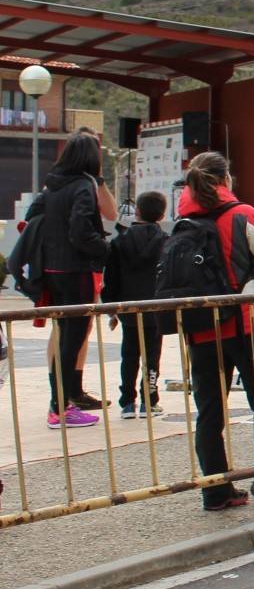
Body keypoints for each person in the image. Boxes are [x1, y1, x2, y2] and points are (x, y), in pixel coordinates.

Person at [178, 152, 254, 514]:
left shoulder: (182, 222)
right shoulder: (243, 215)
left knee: (209, 410)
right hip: (247, 322)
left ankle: (216, 490)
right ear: (226, 179)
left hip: (201, 330)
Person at [26, 132, 111, 428]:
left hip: (51, 270)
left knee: (64, 337)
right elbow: (81, 229)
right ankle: (60, 408)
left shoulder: (52, 186)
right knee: (72, 341)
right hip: (77, 271)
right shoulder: (83, 186)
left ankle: (62, 401)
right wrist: (104, 248)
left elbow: (31, 218)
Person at [102, 191, 167, 419]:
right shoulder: (165, 241)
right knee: (152, 355)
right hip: (155, 306)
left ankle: (127, 401)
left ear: (137, 210)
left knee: (129, 354)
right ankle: (150, 400)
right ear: (162, 213)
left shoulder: (120, 241)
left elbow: (111, 277)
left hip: (128, 306)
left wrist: (111, 308)